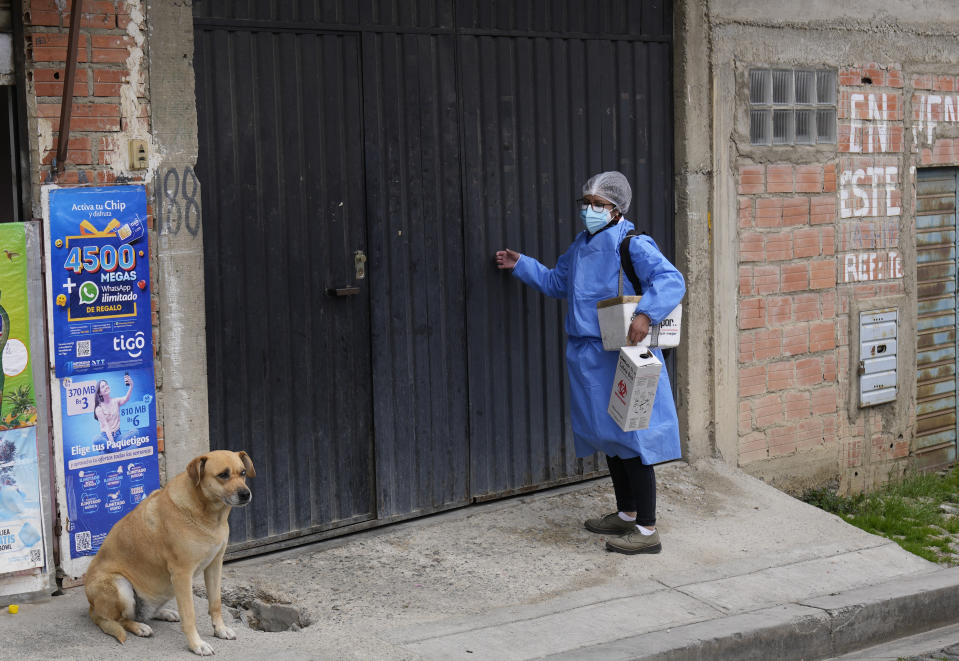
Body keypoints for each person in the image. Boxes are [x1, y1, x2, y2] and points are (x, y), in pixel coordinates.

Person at [495, 171, 685, 555]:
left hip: (622, 353)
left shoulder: (632, 244)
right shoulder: (581, 246)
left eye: (599, 204)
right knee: (609, 438)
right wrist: (521, 264)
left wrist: (645, 314)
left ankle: (647, 531)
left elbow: (670, 279)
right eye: (587, 203)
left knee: (633, 440)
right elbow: (555, 283)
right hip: (587, 357)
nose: (590, 210)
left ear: (617, 209)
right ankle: (627, 514)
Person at [93, 373, 134, 444]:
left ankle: (113, 449)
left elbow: (126, 399)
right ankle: (116, 448)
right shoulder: (98, 408)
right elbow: (106, 426)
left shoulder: (116, 401)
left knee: (135, 432)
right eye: (103, 386)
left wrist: (131, 386)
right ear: (99, 393)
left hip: (118, 436)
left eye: (106, 385)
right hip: (106, 437)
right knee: (97, 440)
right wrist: (112, 443)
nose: (106, 387)